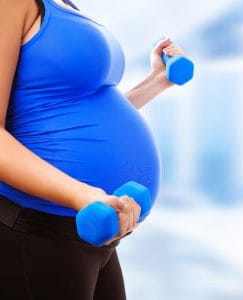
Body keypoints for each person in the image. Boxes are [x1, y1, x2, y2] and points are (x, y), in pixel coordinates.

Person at [0, 0, 184, 299]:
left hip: (96, 232)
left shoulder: (65, 5)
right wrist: (82, 194)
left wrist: (157, 81)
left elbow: (79, 110)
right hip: (38, 228)